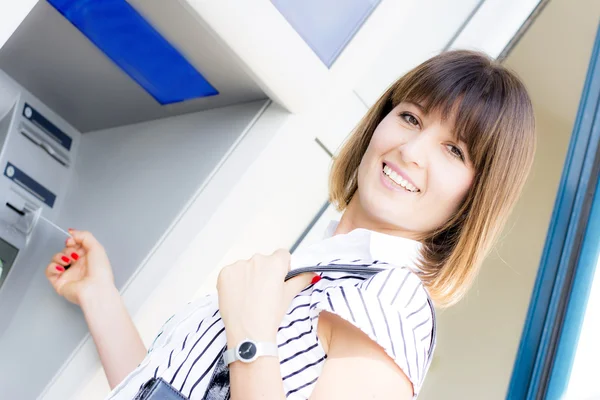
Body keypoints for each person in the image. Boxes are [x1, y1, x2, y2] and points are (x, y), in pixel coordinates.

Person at [45, 50, 535, 399]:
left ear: (476, 196)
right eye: (410, 117)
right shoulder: (321, 268)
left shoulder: (393, 302)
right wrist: (99, 296)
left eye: (454, 150)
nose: (411, 150)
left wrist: (251, 335)